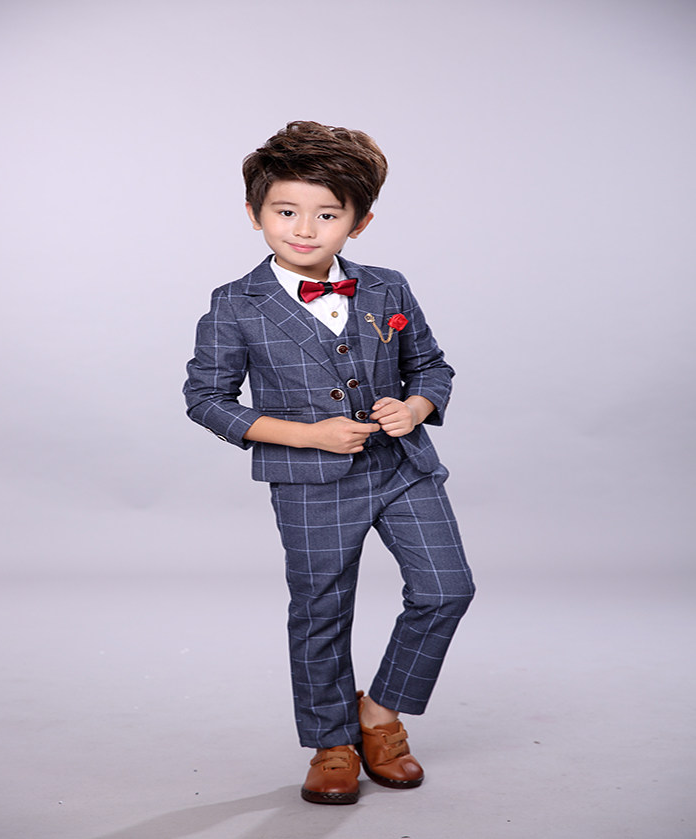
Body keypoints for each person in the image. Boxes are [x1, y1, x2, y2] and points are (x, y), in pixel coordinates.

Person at [183, 121, 475, 805]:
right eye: (286, 211)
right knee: (321, 610)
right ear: (255, 213)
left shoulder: (387, 289)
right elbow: (206, 400)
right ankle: (332, 742)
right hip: (309, 483)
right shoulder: (236, 304)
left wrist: (417, 406)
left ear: (359, 222)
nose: (305, 229)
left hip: (402, 467)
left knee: (446, 589)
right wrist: (306, 435)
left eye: (327, 214)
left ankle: (379, 711)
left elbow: (432, 366)